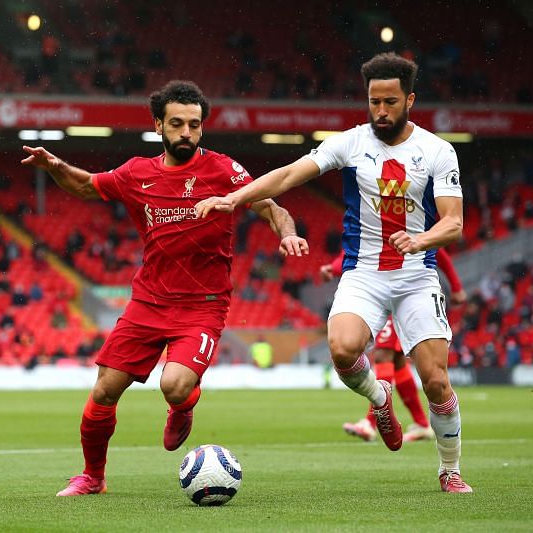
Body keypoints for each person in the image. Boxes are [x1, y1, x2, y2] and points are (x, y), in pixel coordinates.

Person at [196, 53, 472, 493]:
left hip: (417, 275)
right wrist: (236, 198)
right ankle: (380, 399)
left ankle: (449, 470)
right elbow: (288, 175)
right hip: (363, 272)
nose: (380, 110)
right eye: (373, 101)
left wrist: (420, 240)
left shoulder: (438, 151)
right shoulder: (350, 143)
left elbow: (453, 222)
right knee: (343, 351)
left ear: (410, 100)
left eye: (390, 101)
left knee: (435, 380)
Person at [21, 80, 309, 497]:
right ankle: (93, 477)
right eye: (177, 124)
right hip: (148, 302)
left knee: (172, 384)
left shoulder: (224, 170)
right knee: (104, 390)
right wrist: (54, 166)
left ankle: (182, 406)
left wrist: (287, 233)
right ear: (159, 125)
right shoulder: (138, 172)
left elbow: (271, 205)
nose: (186, 133)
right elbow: (87, 185)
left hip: (203, 305)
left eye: (194, 124)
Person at [321, 248, 466, 443]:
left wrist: (456, 286)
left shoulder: (411, 223)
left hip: (406, 290)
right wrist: (333, 267)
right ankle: (421, 423)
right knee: (396, 362)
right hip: (374, 289)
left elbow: (438, 249)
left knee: (384, 355)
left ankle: (370, 422)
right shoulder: (365, 225)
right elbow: (353, 251)